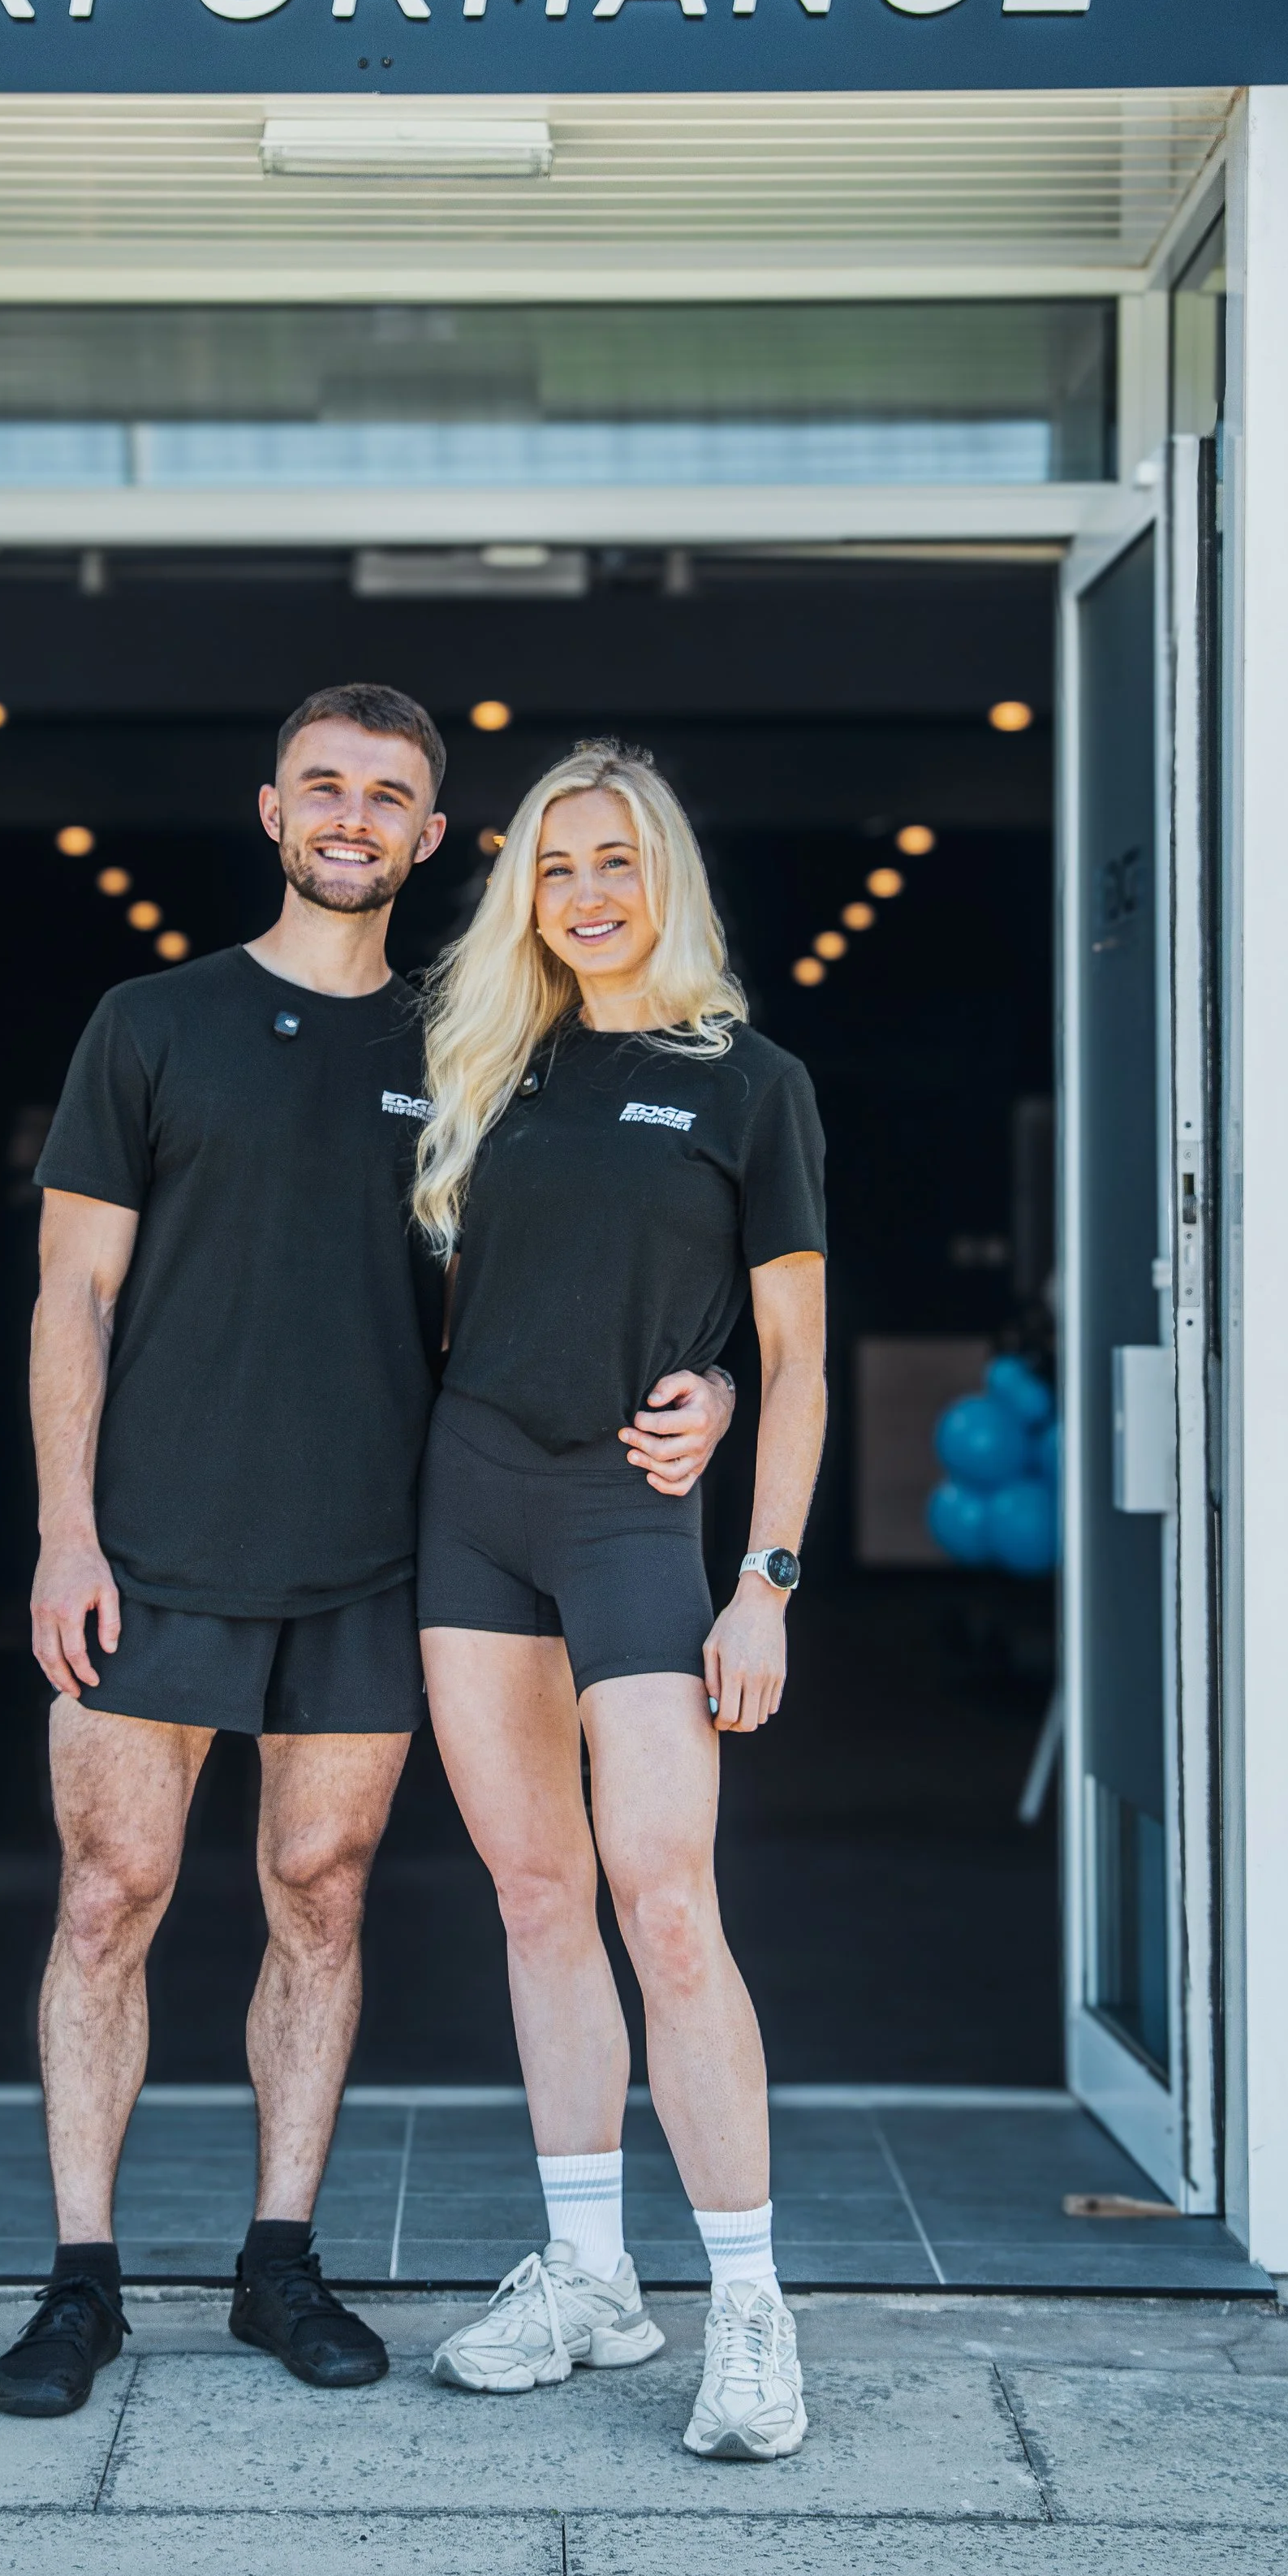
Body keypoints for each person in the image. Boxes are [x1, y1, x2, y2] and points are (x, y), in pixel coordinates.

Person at [0, 688, 737, 2420]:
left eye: (384, 794)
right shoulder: (148, 1022)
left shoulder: (481, 1044)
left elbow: (618, 1243)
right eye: (321, 783)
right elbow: (70, 1293)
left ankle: (277, 2260)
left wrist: (705, 1375)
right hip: (150, 1545)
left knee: (316, 1894)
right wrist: (62, 1526)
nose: (348, 813)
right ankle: (79, 2279)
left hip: (380, 1552)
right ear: (269, 809)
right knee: (110, 1894)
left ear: (426, 835)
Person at [411, 739, 827, 2462]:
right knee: (530, 1888)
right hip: (468, 1503)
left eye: (616, 861)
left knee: (665, 1900)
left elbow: (793, 1355)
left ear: (665, 877)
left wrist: (766, 1575)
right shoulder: (480, 1065)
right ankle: (590, 2275)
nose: (586, 892)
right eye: (556, 865)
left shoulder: (746, 1079)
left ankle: (748, 2308)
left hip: (632, 1516)